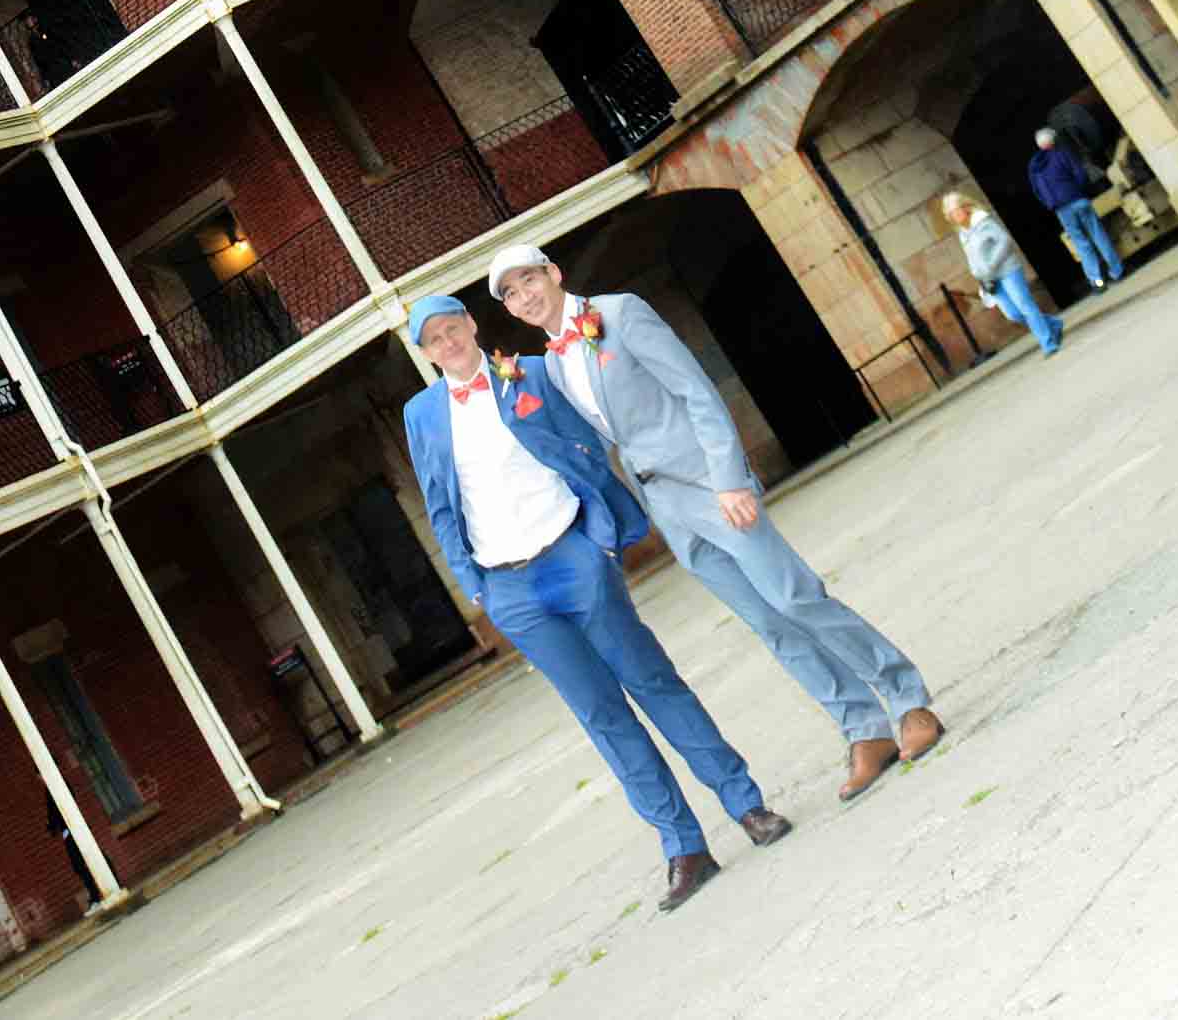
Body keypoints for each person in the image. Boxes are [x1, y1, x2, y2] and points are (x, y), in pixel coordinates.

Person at [489, 251, 950, 799]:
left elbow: (695, 391)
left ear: (554, 274)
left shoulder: (620, 313)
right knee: (767, 623)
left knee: (794, 598)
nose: (526, 295)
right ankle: (862, 730)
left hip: (710, 484)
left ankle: (907, 700)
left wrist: (730, 478)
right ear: (513, 310)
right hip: (666, 504)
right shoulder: (553, 364)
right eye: (513, 293)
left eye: (530, 279)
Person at [398, 291, 789, 906]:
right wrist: (477, 588)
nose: (447, 344)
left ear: (472, 325)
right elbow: (440, 504)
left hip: (572, 556)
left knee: (652, 682)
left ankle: (746, 805)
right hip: (511, 589)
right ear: (423, 352)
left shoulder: (527, 373)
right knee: (601, 715)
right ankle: (683, 847)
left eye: (453, 329)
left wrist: (598, 542)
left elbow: (588, 452)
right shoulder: (421, 414)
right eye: (434, 340)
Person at [949, 189, 1062, 355]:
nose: (953, 216)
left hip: (1008, 269)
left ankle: (1047, 342)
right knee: (1013, 314)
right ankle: (1052, 324)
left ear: (965, 207)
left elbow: (1004, 241)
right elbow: (971, 258)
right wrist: (978, 274)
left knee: (1025, 306)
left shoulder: (983, 221)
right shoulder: (962, 234)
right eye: (950, 214)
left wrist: (992, 264)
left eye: (955, 211)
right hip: (990, 279)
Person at [1026, 125, 1125, 292]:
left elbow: (1037, 191)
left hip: (1061, 209)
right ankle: (1116, 272)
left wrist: (1050, 204)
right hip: (1078, 200)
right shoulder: (1062, 152)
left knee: (1081, 244)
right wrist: (1078, 190)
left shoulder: (1034, 167)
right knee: (1097, 234)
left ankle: (1097, 282)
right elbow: (1079, 172)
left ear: (1039, 145)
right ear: (1053, 140)